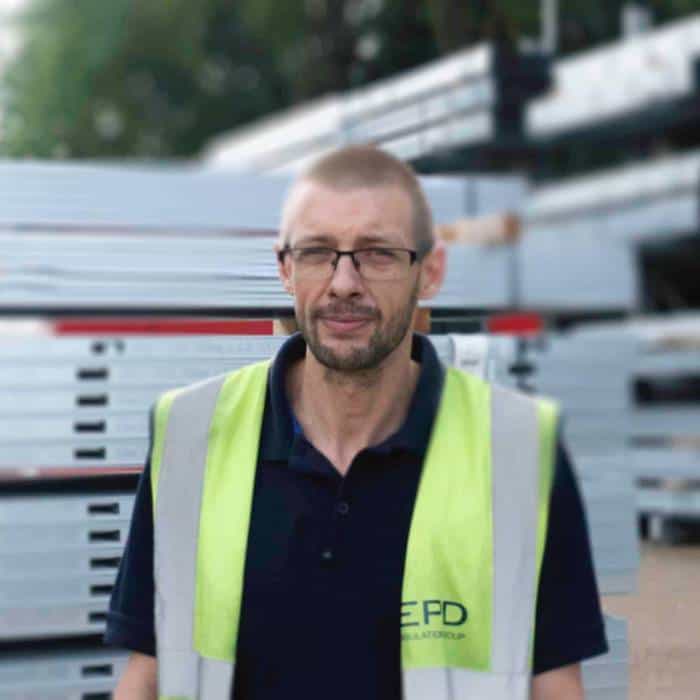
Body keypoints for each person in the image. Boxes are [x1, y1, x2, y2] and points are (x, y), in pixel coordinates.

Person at [106, 146, 608, 700]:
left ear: (431, 271)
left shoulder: (519, 451)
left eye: (378, 253)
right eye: (319, 252)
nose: (344, 282)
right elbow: (147, 674)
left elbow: (555, 687)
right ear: (285, 268)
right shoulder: (190, 436)